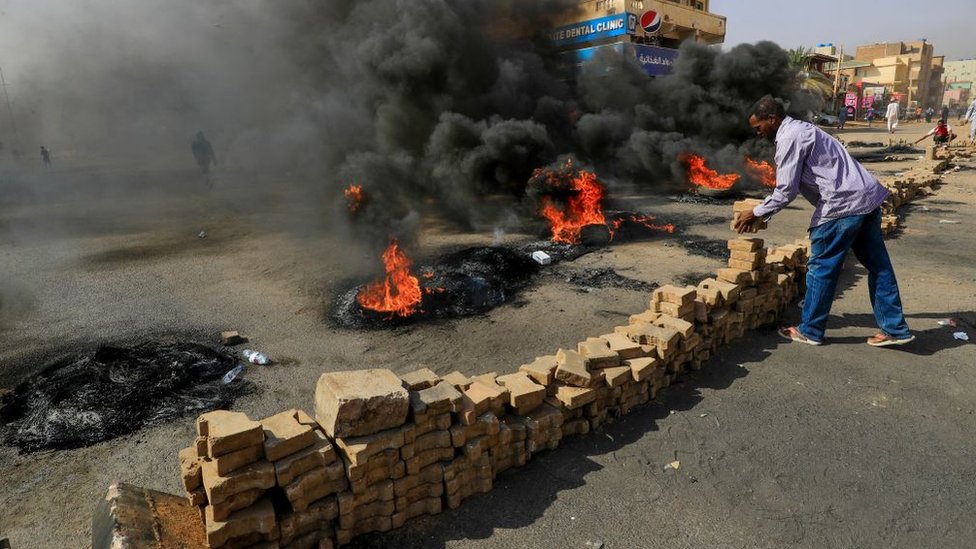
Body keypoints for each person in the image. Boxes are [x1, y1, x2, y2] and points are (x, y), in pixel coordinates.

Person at [736, 95, 914, 347]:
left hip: (841, 205)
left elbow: (786, 190)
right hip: (867, 198)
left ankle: (810, 330)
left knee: (821, 269)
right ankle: (895, 329)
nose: (758, 133)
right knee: (879, 267)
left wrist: (756, 212)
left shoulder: (789, 137)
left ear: (771, 119)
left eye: (759, 127)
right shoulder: (804, 129)